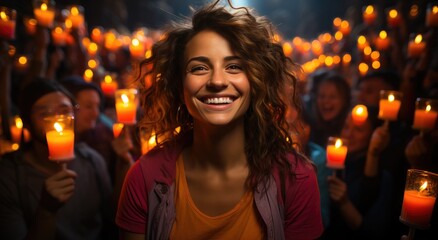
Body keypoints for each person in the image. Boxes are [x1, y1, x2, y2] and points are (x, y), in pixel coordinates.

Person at [116, 1, 323, 239]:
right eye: (199, 68)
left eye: (234, 66)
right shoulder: (145, 178)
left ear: (255, 81)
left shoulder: (296, 179)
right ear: (178, 85)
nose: (217, 81)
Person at [0, 78, 117, 239]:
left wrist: (124, 164)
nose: (58, 122)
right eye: (45, 114)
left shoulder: (92, 160)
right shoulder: (9, 175)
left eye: (64, 111)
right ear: (26, 123)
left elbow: (113, 218)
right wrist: (46, 210)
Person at [322, 106, 394, 239]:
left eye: (358, 129)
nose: (349, 134)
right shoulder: (329, 164)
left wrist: (344, 204)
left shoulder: (382, 177)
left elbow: (374, 233)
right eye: (346, 127)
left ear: (373, 135)